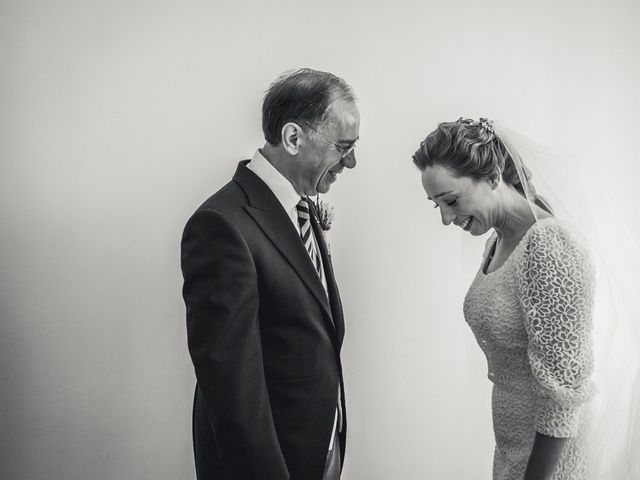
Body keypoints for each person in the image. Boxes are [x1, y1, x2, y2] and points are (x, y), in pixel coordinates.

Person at [180, 68, 359, 480]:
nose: (351, 162)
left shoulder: (300, 207)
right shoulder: (221, 225)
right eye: (343, 147)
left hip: (317, 450)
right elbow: (232, 389)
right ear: (294, 138)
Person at [413, 118, 596, 480]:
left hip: (547, 461)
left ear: (493, 176)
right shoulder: (496, 242)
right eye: (437, 206)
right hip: (512, 445)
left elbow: (563, 392)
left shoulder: (548, 246)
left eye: (451, 200)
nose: (447, 219)